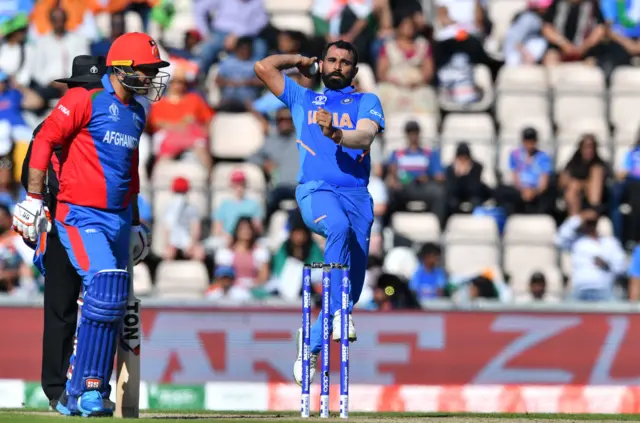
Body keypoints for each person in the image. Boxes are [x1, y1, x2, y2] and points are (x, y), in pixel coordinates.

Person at [13, 33, 169, 417]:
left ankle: (86, 390)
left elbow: (129, 171)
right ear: (122, 69)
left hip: (117, 218)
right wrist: (34, 200)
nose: (152, 78)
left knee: (112, 301)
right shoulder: (83, 98)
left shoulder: (137, 112)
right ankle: (84, 390)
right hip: (79, 213)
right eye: (147, 70)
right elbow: (45, 140)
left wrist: (134, 221)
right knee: (103, 285)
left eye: (153, 71)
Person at [254, 39, 385, 386]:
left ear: (353, 71)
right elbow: (263, 67)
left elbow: (366, 137)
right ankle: (339, 311)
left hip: (357, 197)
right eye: (331, 60)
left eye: (345, 62)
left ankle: (309, 346)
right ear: (322, 64)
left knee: (353, 292)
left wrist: (336, 133)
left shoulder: (366, 101)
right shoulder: (303, 98)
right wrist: (297, 59)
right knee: (338, 229)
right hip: (316, 192)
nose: (337, 66)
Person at [18, 55, 111, 409]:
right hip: (60, 227)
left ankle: (93, 386)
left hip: (98, 226)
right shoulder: (49, 126)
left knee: (101, 307)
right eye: (84, 88)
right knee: (61, 310)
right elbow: (33, 170)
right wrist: (38, 203)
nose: (88, 93)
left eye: (92, 88)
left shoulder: (106, 123)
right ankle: (57, 388)